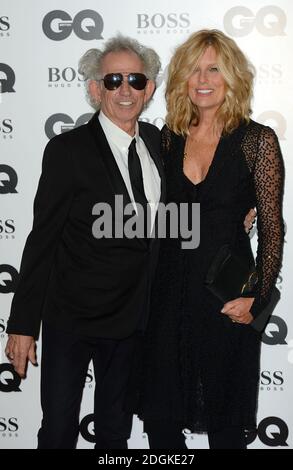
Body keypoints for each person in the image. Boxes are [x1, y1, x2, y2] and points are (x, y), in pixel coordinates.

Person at [4, 34, 163, 449]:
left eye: (135, 79)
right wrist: (22, 325)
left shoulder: (159, 144)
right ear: (95, 89)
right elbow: (43, 240)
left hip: (133, 321)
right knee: (57, 432)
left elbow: (190, 205)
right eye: (113, 80)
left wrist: (239, 213)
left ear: (150, 88)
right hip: (71, 319)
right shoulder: (67, 150)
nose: (125, 90)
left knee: (115, 434)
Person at [137, 29, 284, 449]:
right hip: (167, 299)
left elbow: (273, 226)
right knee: (161, 426)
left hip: (226, 300)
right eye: (194, 69)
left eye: (214, 69)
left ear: (232, 76)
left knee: (225, 425)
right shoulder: (167, 137)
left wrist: (257, 295)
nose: (203, 78)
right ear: (182, 78)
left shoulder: (258, 140)